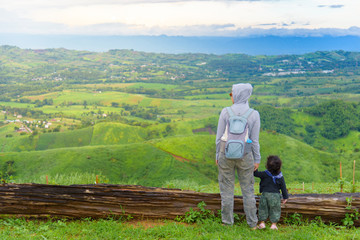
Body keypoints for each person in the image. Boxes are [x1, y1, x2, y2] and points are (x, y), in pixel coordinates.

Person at [216, 83, 261, 229]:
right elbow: (254, 140)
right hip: (246, 155)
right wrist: (257, 159)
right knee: (248, 190)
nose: (231, 96)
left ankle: (227, 222)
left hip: (225, 153)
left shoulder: (225, 112)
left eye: (232, 93)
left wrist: (217, 155)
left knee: (226, 189)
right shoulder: (254, 114)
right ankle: (252, 223)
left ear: (236, 94)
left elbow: (218, 137)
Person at [254, 155, 288, 230]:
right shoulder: (280, 176)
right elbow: (283, 187)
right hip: (275, 196)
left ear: (267, 166)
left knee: (262, 208)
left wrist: (255, 167)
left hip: (265, 195)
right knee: (275, 210)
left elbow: (256, 174)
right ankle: (273, 225)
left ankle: (262, 223)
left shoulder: (265, 174)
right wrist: (285, 197)